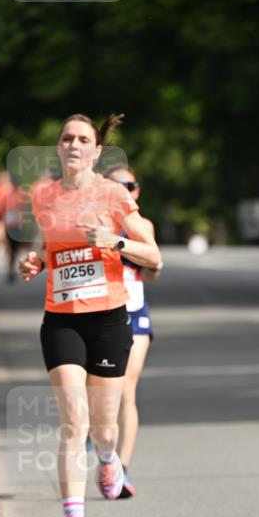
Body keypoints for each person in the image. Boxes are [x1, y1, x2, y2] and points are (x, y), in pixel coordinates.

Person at [18, 113, 161, 517]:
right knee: (73, 423)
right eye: (67, 138)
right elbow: (47, 247)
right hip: (61, 319)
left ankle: (108, 457)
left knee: (103, 427)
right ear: (59, 148)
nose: (74, 144)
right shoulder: (43, 196)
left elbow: (153, 256)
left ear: (97, 151)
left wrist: (114, 242)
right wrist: (35, 262)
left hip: (108, 320)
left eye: (83, 139)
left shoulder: (113, 194)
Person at [104, 164, 161, 498]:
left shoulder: (143, 225)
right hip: (99, 312)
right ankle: (101, 446)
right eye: (116, 185)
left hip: (135, 312)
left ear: (137, 191)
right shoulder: (94, 223)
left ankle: (121, 468)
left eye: (130, 185)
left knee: (127, 388)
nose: (124, 190)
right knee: (99, 393)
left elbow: (152, 270)